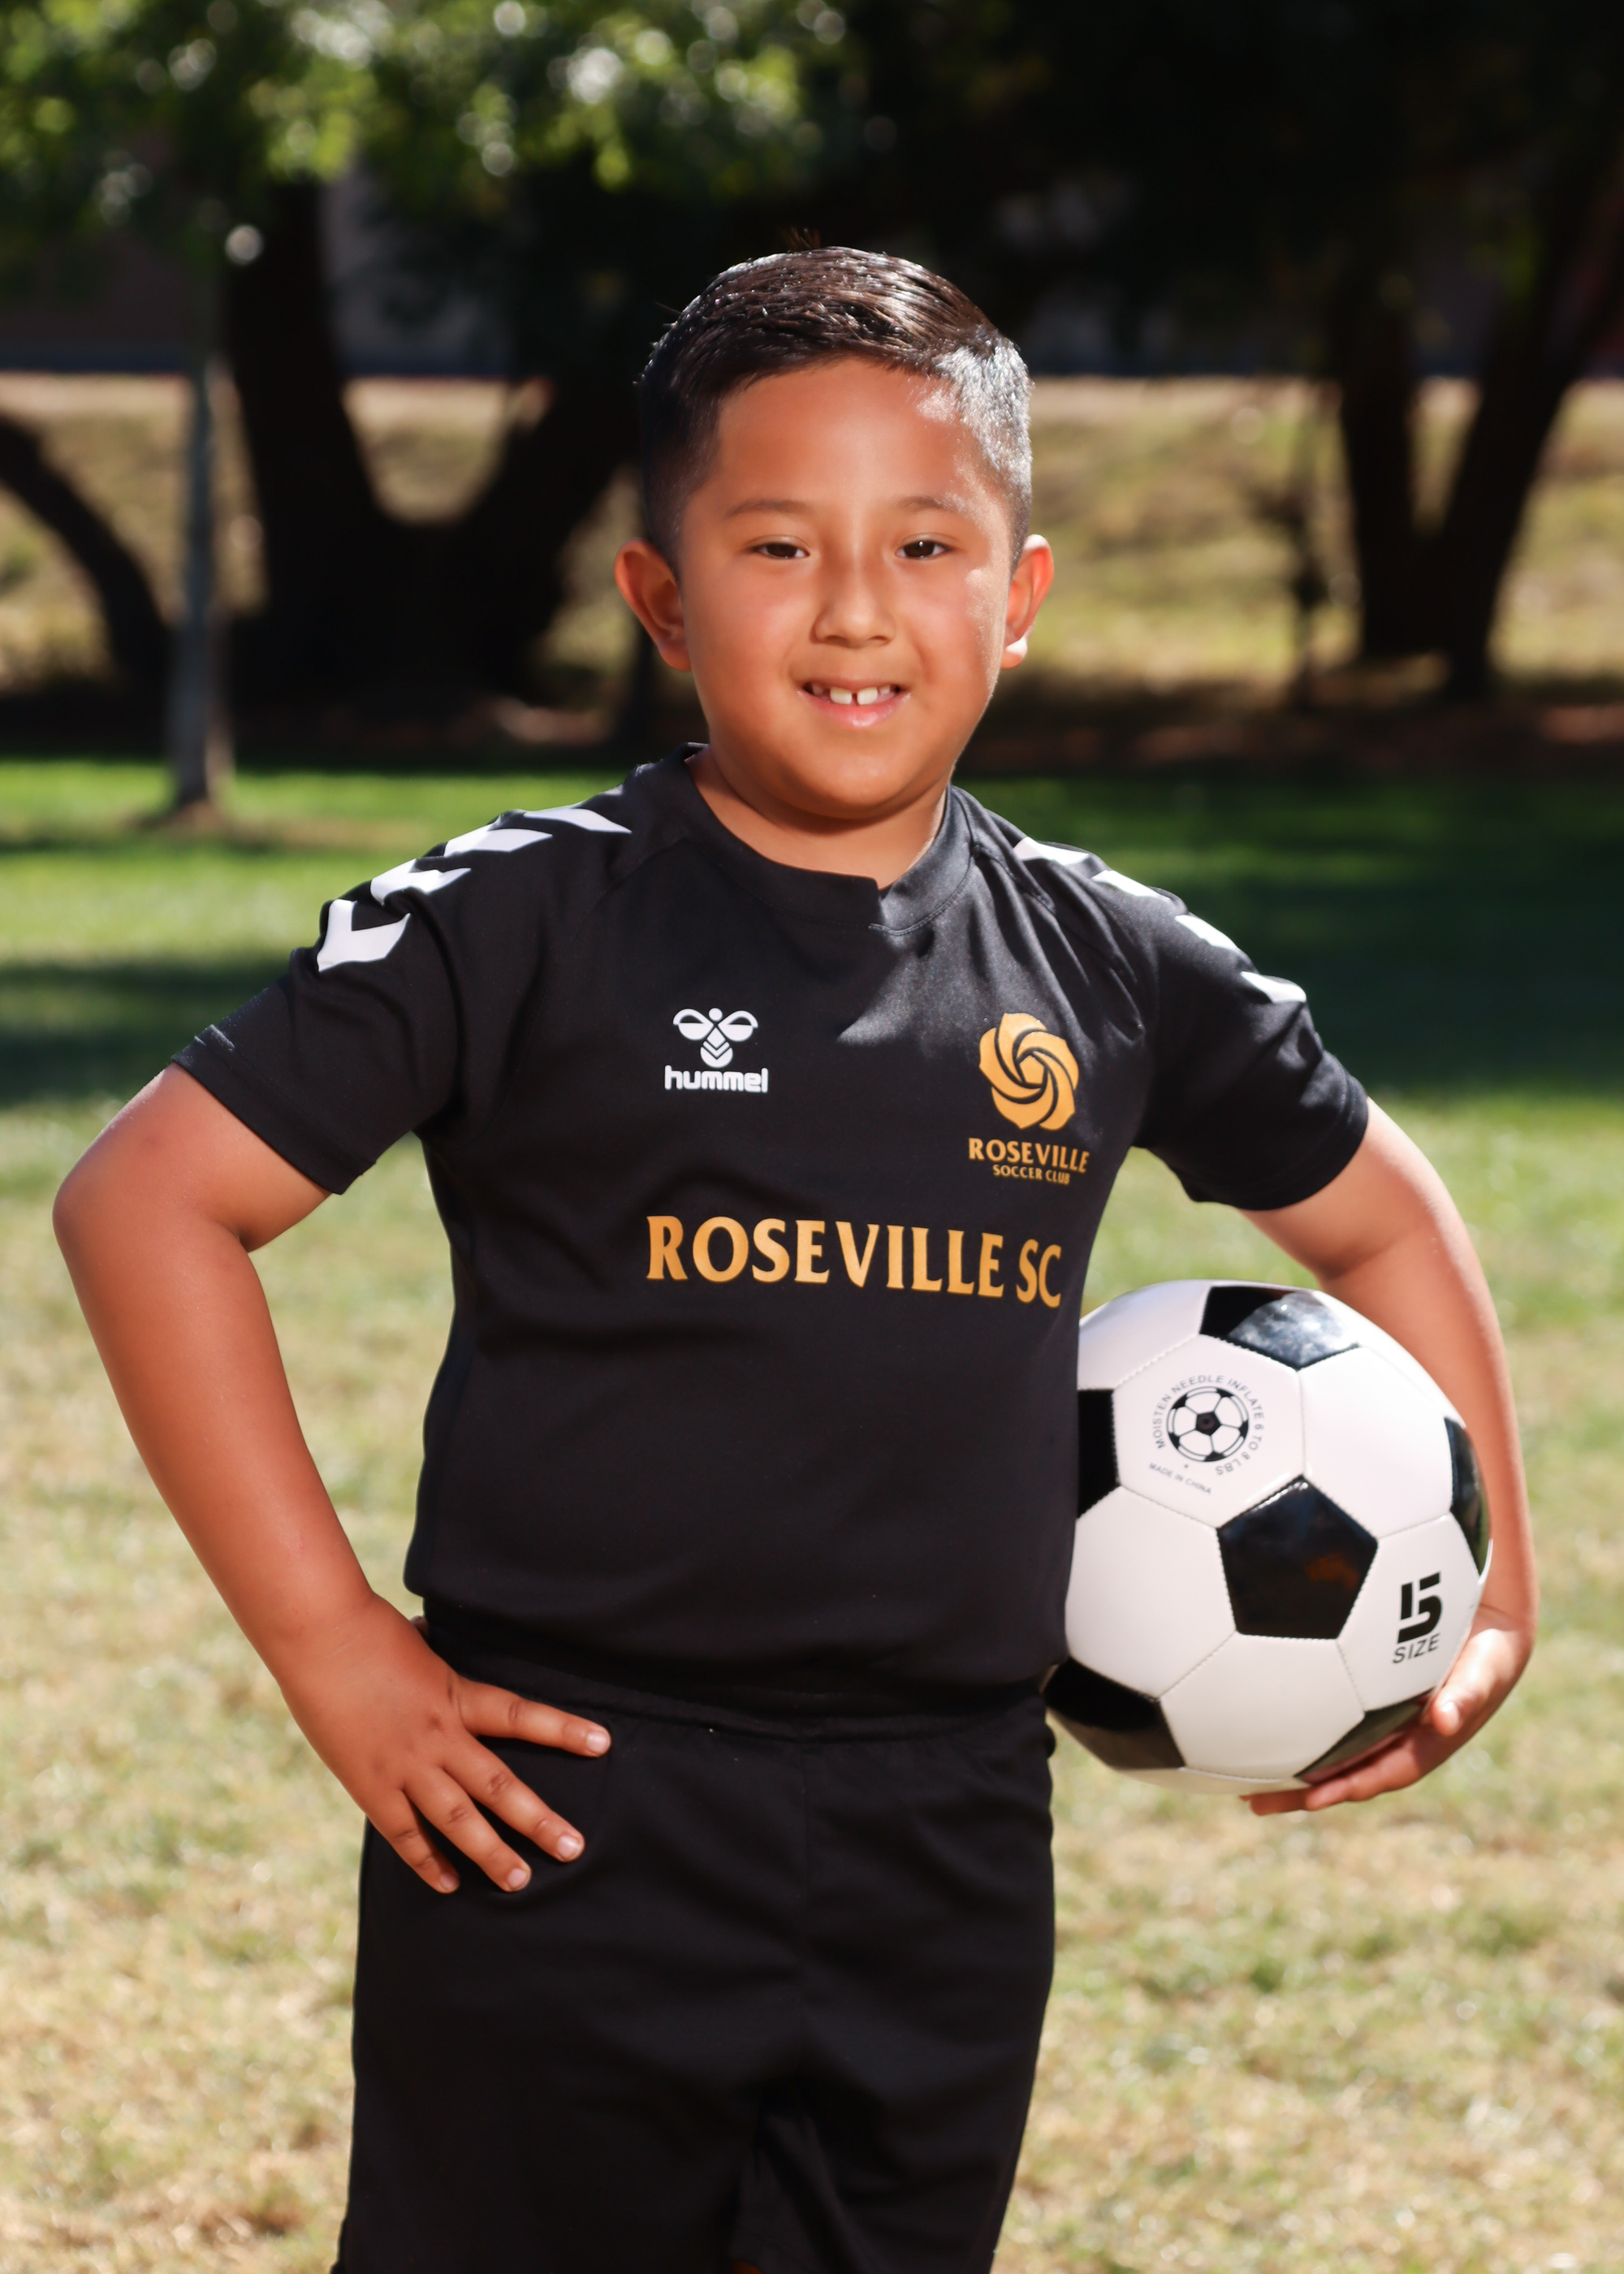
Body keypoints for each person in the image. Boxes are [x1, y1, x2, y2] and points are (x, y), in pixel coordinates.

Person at [53, 249, 1535, 2274]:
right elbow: (147, 1200)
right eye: (777, 545)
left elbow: (1375, 1212)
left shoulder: (1105, 958)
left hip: (947, 1830)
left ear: (1017, 595)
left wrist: (1491, 1592)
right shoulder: (522, 920)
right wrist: (335, 1648)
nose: (855, 606)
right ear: (660, 597)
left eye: (925, 544)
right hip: (555, 1803)